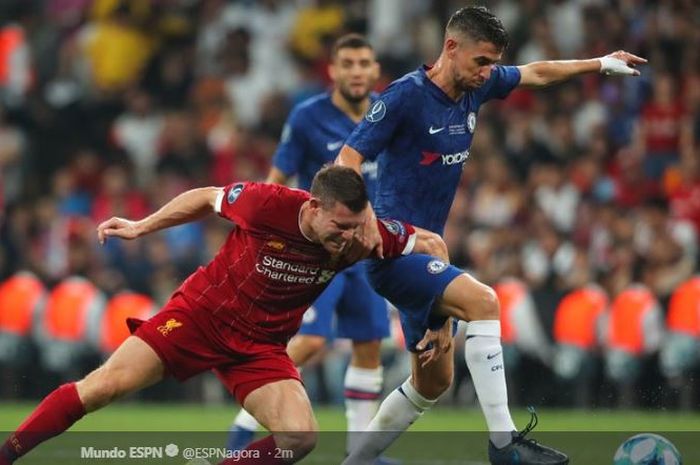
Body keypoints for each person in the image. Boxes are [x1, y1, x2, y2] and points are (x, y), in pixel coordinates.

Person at [336, 6, 646, 465]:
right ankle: (505, 445)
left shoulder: (473, 89)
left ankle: (354, 462)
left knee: (432, 384)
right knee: (484, 301)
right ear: (450, 47)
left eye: (492, 63)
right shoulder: (404, 97)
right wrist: (366, 225)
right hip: (394, 249)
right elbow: (347, 159)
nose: (487, 73)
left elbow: (537, 72)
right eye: (481, 61)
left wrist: (599, 62)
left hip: (427, 251)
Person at [0, 166, 446, 465]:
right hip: (199, 317)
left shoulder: (365, 236)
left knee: (300, 438)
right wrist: (140, 227)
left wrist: (439, 322)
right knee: (102, 387)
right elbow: (204, 197)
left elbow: (432, 246)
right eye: (341, 227)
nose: (349, 238)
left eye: (356, 226)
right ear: (313, 208)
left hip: (260, 347)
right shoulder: (266, 203)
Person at [227, 33, 397, 462]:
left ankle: (361, 453)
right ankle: (241, 434)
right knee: (310, 342)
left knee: (368, 343)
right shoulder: (307, 117)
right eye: (348, 64)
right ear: (333, 71)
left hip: (368, 251)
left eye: (364, 63)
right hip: (318, 251)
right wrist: (263, 234)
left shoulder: (387, 113)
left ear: (375, 71)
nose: (356, 71)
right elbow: (276, 177)